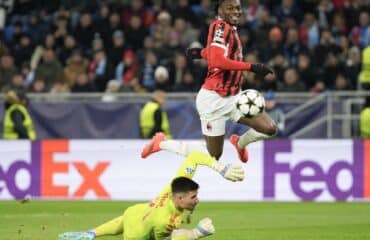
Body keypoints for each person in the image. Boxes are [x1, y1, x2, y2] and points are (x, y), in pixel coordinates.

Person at [58, 134, 245, 240]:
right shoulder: (168, 220)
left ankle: (160, 143)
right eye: (193, 197)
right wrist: (198, 232)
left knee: (130, 219)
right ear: (180, 199)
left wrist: (221, 168)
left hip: (136, 212)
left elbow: (195, 156)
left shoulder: (175, 187)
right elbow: (171, 238)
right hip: (136, 236)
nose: (197, 200)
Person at [183, 0, 277, 163]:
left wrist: (202, 54)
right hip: (214, 99)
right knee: (213, 156)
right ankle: (163, 144)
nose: (236, 11)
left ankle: (240, 143)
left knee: (269, 128)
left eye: (238, 8)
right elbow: (219, 61)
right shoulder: (220, 26)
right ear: (219, 10)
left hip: (234, 96)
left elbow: (216, 55)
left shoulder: (230, 29)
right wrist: (252, 67)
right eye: (230, 8)